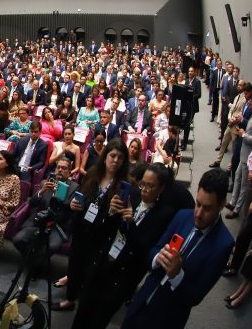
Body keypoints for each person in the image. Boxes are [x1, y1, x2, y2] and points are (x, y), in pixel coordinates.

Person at [122, 169, 235, 329]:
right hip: (140, 303)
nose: (199, 213)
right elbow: (155, 250)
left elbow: (195, 296)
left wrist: (177, 275)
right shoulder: (182, 215)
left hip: (168, 319)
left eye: (207, 208)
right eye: (198, 204)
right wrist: (157, 258)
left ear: (222, 204)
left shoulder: (223, 244)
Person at [71, 164, 176, 329]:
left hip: (123, 275)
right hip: (103, 261)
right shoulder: (132, 196)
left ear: (161, 189)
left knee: (99, 318)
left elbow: (145, 251)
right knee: (83, 310)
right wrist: (112, 212)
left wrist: (131, 225)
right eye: (143, 184)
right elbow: (108, 229)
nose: (144, 190)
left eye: (150, 186)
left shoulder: (165, 215)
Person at [53, 138, 129, 311]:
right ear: (105, 156)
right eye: (112, 156)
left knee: (91, 275)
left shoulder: (125, 186)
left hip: (102, 237)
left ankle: (84, 307)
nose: (116, 160)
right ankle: (70, 299)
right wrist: (73, 204)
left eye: (120, 158)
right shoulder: (93, 174)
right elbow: (79, 195)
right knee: (74, 267)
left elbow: (122, 218)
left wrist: (116, 212)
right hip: (82, 231)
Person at [12, 156, 78, 272]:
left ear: (69, 171)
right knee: (18, 240)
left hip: (57, 226)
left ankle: (33, 267)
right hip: (39, 222)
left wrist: (59, 196)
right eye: (58, 168)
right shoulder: (45, 183)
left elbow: (71, 211)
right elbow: (31, 204)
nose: (60, 170)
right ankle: (33, 262)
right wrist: (42, 192)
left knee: (51, 247)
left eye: (64, 168)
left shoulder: (75, 188)